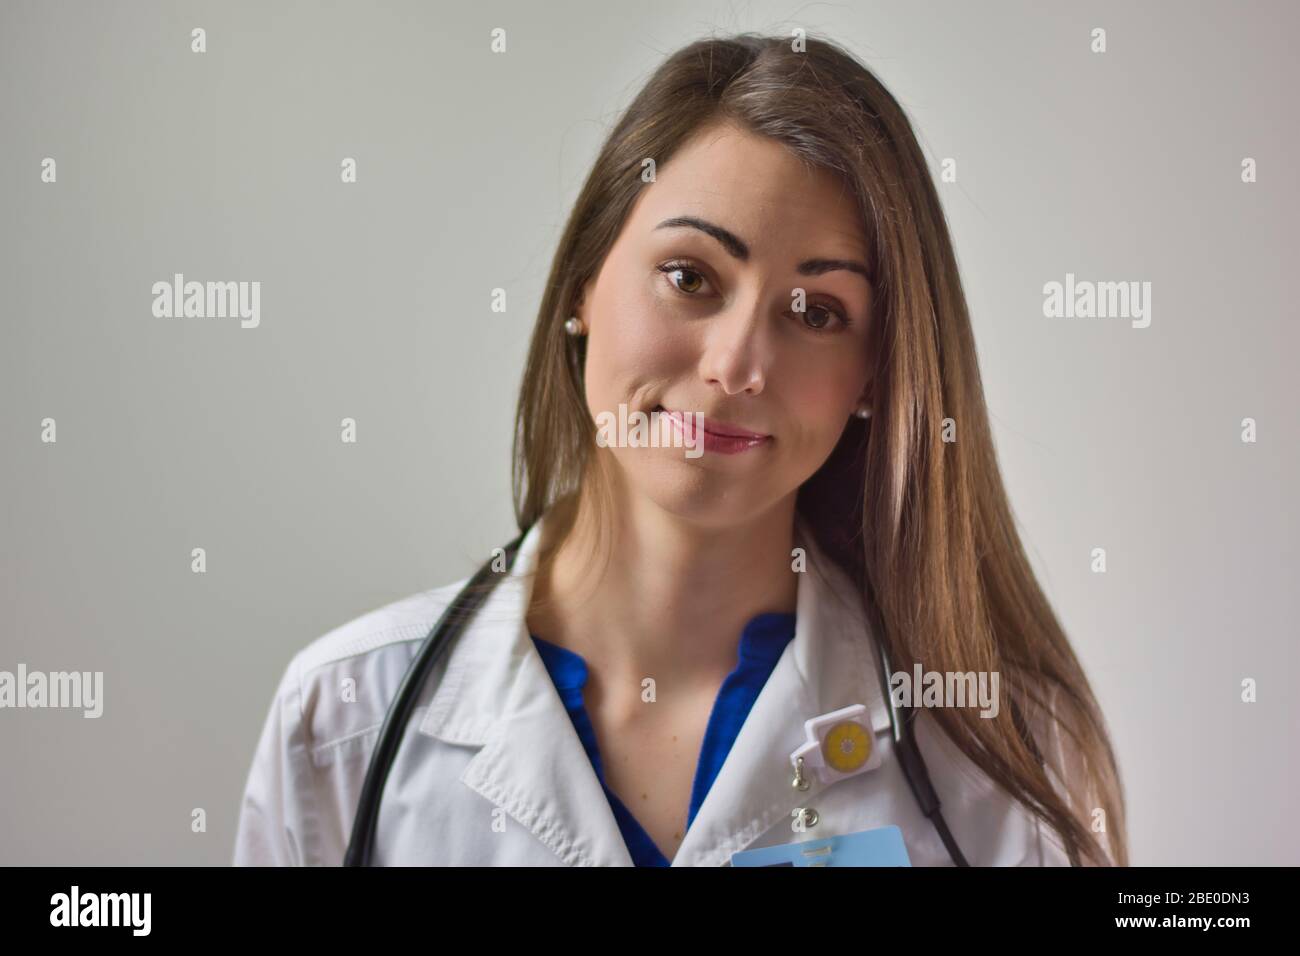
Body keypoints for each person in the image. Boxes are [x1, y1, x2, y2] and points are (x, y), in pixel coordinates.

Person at [233, 32, 1126, 867]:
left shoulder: (1004, 751)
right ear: (583, 283)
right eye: (690, 277)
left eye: (816, 313)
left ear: (872, 377)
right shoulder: (344, 720)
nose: (737, 364)